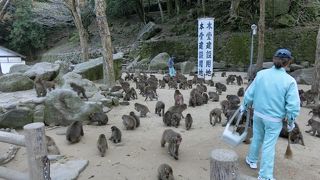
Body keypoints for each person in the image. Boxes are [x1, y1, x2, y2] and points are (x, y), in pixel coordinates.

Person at [240, 48, 300, 180]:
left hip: (258, 114)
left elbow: (250, 93)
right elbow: (293, 106)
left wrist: (244, 106)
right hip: (274, 119)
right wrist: (291, 121)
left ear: (274, 59)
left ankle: (252, 159)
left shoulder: (261, 74)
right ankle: (265, 176)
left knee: (257, 138)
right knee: (268, 145)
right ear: (288, 62)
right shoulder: (289, 81)